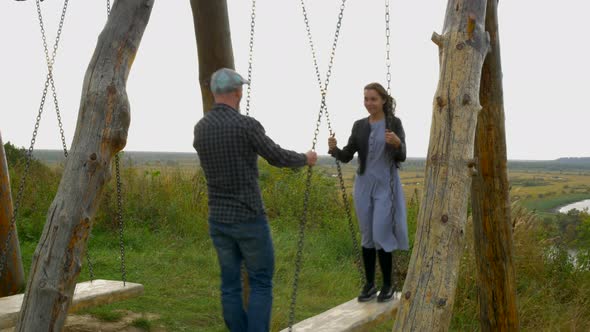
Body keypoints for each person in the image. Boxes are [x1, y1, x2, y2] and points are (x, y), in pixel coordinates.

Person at [193, 68, 317, 332]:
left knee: (229, 284)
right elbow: (276, 156)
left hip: (218, 218)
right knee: (261, 281)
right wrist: (305, 159)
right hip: (249, 217)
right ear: (238, 92)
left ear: (214, 92)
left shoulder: (201, 128)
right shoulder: (246, 125)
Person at [328, 82, 408, 303]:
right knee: (368, 235)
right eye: (366, 99)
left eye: (373, 99)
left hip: (386, 184)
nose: (369, 103)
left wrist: (397, 142)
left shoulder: (394, 123)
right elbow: (346, 155)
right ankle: (370, 284)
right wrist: (334, 149)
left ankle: (388, 285)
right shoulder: (359, 125)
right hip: (363, 185)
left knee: (382, 233)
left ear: (383, 100)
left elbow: (402, 156)